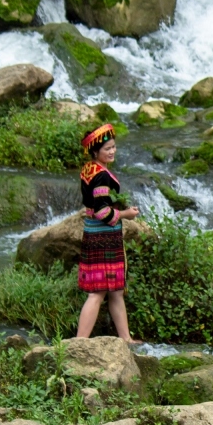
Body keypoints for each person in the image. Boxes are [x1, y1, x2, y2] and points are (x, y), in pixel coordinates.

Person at [76, 123, 141, 342]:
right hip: (102, 235)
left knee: (114, 290)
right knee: (98, 292)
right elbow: (102, 211)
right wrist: (125, 214)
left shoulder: (89, 169)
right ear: (96, 151)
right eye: (107, 149)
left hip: (95, 233)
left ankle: (126, 339)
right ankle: (79, 342)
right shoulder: (101, 176)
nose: (112, 151)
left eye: (113, 147)